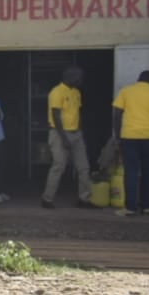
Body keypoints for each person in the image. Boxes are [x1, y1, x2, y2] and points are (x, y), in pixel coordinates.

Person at [110, 70, 149, 217]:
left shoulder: (126, 91)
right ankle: (147, 207)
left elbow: (116, 114)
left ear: (138, 79)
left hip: (129, 137)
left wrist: (117, 136)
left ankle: (130, 208)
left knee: (131, 172)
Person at [42, 66, 95, 209]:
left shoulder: (77, 92)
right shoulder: (56, 92)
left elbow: (78, 112)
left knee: (84, 167)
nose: (81, 80)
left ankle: (84, 199)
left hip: (76, 133)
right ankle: (47, 199)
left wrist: (80, 131)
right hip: (59, 134)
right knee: (59, 166)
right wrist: (64, 138)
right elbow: (55, 115)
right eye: (79, 77)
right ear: (70, 77)